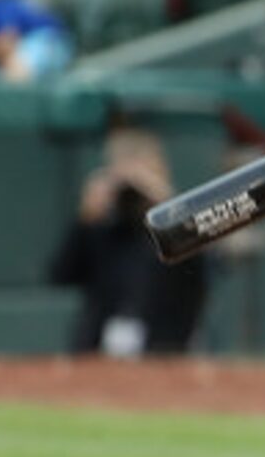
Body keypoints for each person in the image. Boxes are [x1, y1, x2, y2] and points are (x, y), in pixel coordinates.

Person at [47, 126, 208, 356]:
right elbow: (60, 276)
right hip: (99, 349)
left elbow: (203, 270)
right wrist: (86, 218)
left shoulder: (178, 228)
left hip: (165, 349)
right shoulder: (103, 229)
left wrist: (162, 201)